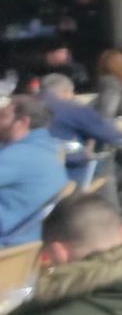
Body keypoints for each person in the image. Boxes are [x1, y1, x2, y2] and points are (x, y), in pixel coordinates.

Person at [0, 96, 69, 246]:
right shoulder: (46, 147)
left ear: (23, 122)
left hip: (10, 242)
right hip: (32, 238)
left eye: (3, 116)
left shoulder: (19, 155)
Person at [38, 73, 122, 154]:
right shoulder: (73, 109)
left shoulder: (28, 104)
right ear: (65, 92)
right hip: (66, 164)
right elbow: (109, 135)